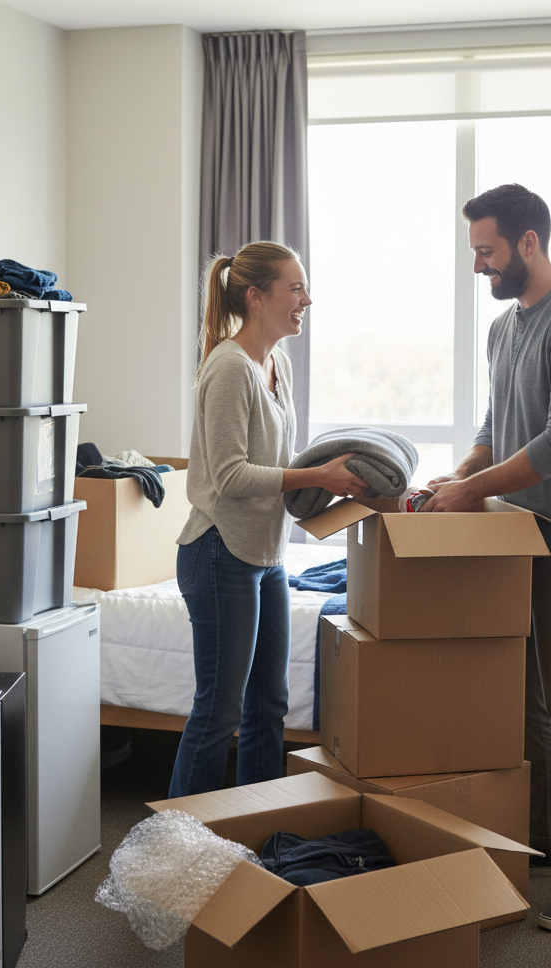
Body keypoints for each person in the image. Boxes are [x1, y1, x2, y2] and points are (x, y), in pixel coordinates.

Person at [423, 184, 551, 932]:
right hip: (521, 535)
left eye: (487, 250)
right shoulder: (506, 329)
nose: (479, 264)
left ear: (528, 244)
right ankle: (547, 843)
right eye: (476, 250)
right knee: (529, 704)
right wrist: (459, 475)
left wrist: (475, 487)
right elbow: (496, 424)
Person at [168, 241, 369, 799]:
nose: (308, 299)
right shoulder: (229, 367)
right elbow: (231, 477)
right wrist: (316, 478)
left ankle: (254, 829)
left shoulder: (273, 363)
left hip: (265, 555)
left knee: (268, 703)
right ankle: (180, 848)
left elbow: (283, 468)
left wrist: (340, 488)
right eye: (296, 288)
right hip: (219, 552)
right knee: (219, 711)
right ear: (257, 298)